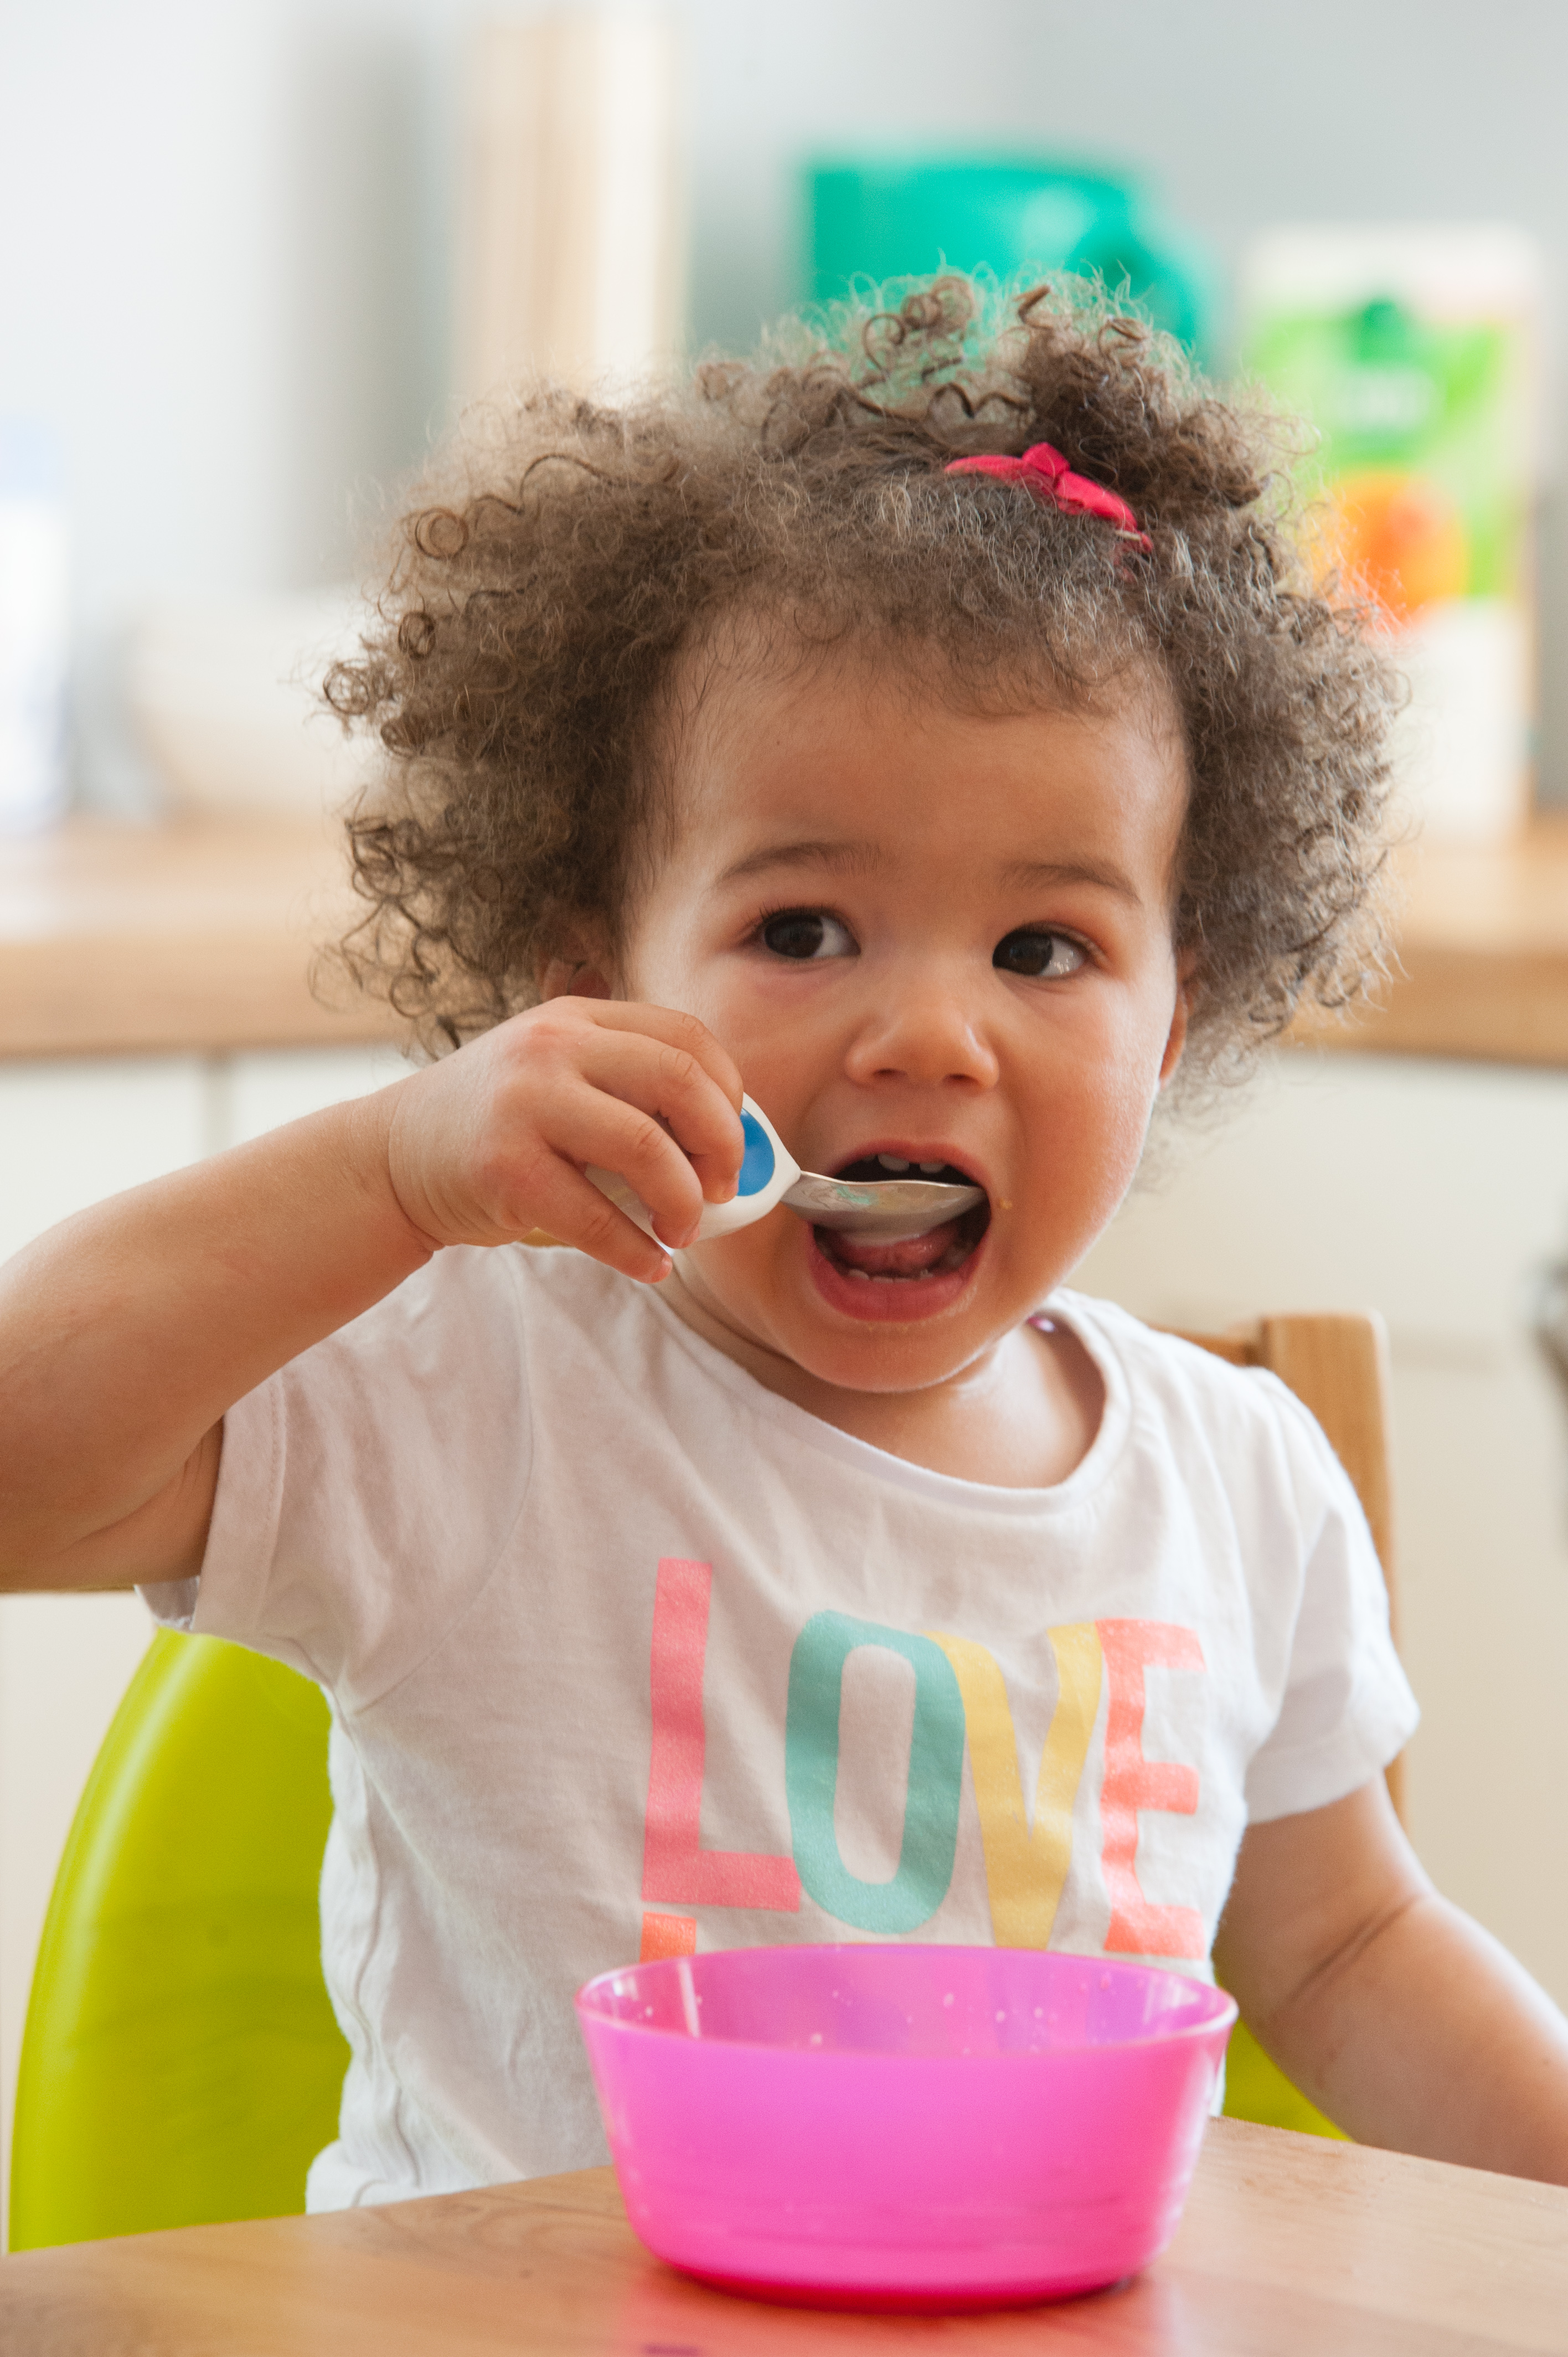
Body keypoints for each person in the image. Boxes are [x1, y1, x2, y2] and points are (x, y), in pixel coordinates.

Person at [4, 278, 1567, 2207]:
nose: (928, 1033)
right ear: (594, 985)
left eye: (1045, 949)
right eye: (806, 930)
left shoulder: (1239, 1485)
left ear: (1170, 1024)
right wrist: (392, 1177)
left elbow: (1344, 1950)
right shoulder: (477, 1388)